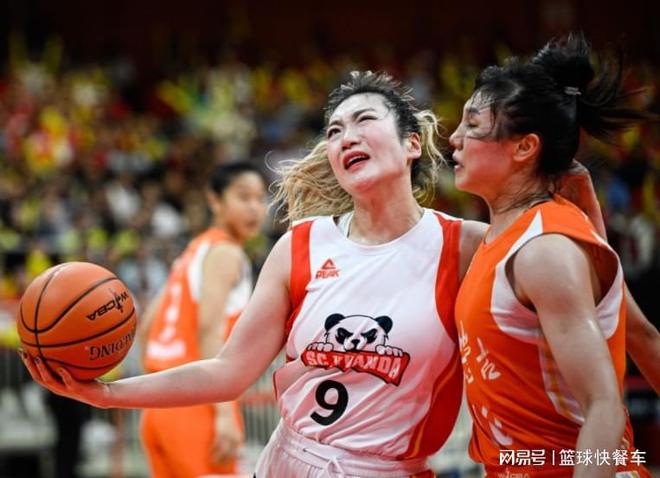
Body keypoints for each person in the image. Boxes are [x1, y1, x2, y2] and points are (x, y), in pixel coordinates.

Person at [19, 71, 490, 477]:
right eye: (333, 130)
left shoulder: (467, 246)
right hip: (288, 461)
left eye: (364, 120)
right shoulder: (301, 245)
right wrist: (105, 394)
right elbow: (228, 370)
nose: (346, 137)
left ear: (411, 143)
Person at [449, 33, 655, 477]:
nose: (454, 138)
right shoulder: (514, 237)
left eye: (472, 126)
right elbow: (642, 336)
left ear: (525, 147)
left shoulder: (544, 251)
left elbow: (603, 406)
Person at [137, 161, 268, 477]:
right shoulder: (226, 253)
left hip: (157, 407)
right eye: (243, 197)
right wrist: (224, 411)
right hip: (198, 405)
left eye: (260, 198)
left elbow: (147, 327)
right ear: (215, 200)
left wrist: (156, 385)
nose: (254, 208)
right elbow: (209, 329)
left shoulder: (193, 250)